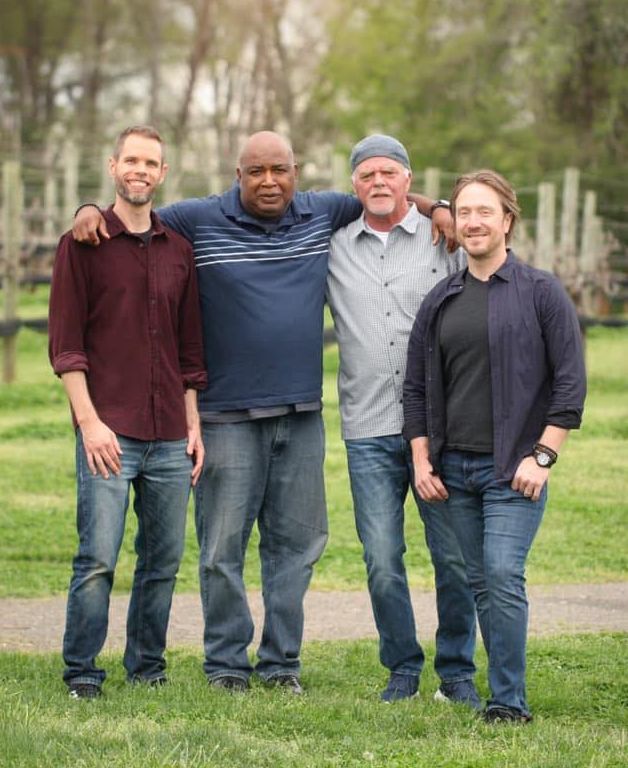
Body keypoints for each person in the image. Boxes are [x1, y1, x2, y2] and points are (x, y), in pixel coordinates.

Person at [72, 131, 453, 694]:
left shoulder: (321, 212)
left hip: (301, 414)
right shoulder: (199, 219)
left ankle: (280, 664)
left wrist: (439, 207)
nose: (269, 181)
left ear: (296, 173)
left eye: (280, 170)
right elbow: (134, 215)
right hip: (226, 416)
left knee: (296, 547)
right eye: (256, 172)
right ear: (238, 175)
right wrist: (87, 209)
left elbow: (385, 195)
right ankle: (227, 664)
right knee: (222, 549)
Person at [403, 169, 586, 723]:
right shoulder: (441, 300)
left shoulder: (541, 292)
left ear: (507, 220)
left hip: (514, 469)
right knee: (480, 581)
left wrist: (543, 456)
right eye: (464, 212)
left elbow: (570, 382)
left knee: (502, 573)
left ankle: (508, 702)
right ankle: (495, 693)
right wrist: (421, 460)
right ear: (455, 224)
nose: (474, 221)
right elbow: (416, 388)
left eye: (485, 211)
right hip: (453, 472)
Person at [49, 125, 206, 699]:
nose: (140, 170)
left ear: (162, 173)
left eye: (151, 163)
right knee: (97, 558)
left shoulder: (179, 250)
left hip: (170, 435)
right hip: (108, 430)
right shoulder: (81, 245)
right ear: (114, 166)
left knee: (162, 561)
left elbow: (190, 351)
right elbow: (66, 346)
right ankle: (82, 672)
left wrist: (193, 423)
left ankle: (147, 667)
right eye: (131, 160)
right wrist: (89, 423)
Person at [326, 134, 479, 705]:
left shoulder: (446, 237)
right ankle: (402, 667)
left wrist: (441, 208)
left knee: (454, 559)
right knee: (382, 559)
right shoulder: (333, 246)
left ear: (408, 179)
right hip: (367, 427)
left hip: (442, 429)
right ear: (354, 184)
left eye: (389, 172)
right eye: (367, 174)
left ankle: (457, 671)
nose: (379, 182)